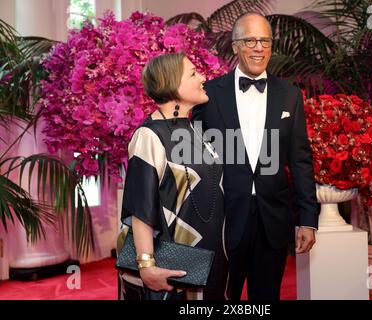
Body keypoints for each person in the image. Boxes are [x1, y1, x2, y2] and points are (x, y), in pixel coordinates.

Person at [192, 12, 319, 300]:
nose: (259, 48)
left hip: (272, 222)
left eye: (265, 41)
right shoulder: (208, 94)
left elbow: (300, 161)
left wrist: (308, 219)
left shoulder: (290, 95)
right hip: (223, 221)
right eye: (250, 40)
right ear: (235, 46)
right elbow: (195, 162)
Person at [118, 52, 228, 300]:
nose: (203, 77)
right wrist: (146, 266)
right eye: (193, 73)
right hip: (174, 267)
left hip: (211, 260)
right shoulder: (149, 136)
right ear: (172, 84)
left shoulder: (194, 130)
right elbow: (140, 207)